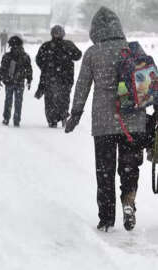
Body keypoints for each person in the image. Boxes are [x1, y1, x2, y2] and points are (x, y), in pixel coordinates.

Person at [65, 7, 146, 232]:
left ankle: (106, 218)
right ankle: (128, 201)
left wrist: (75, 114)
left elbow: (82, 86)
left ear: (95, 30)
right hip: (134, 120)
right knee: (129, 167)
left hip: (104, 123)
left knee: (105, 171)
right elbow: (147, 85)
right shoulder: (131, 50)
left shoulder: (93, 53)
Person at [35, 25, 82, 128]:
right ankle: (59, 117)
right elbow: (78, 55)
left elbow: (78, 55)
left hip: (57, 78)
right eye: (56, 32)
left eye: (58, 32)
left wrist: (46, 68)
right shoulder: (51, 46)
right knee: (60, 99)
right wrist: (46, 67)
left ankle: (57, 118)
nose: (57, 35)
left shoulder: (47, 46)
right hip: (62, 78)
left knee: (54, 99)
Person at [0, 36, 32, 127]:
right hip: (20, 82)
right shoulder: (25, 56)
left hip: (9, 82)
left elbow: (2, 69)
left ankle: (6, 118)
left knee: (8, 100)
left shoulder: (7, 56)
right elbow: (29, 69)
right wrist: (29, 79)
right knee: (18, 102)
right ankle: (16, 120)